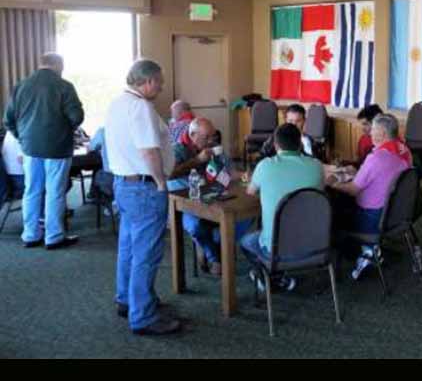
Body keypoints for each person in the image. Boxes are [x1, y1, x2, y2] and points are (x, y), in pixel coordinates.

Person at [105, 59, 181, 336]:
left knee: (128, 249)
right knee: (146, 255)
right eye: (159, 81)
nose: (161, 87)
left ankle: (127, 300)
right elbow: (150, 151)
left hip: (124, 185)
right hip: (145, 188)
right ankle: (143, 316)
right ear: (147, 81)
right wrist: (161, 182)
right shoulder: (141, 108)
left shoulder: (117, 104)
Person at [3, 53, 84, 250]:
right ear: (58, 65)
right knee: (54, 191)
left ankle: (30, 235)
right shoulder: (64, 86)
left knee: (32, 190)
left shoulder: (21, 86)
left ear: (41, 64)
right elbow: (77, 117)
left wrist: (22, 137)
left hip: (29, 148)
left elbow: (8, 120)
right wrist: (65, 131)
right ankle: (54, 236)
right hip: (57, 148)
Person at [240, 123, 324, 292]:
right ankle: (280, 276)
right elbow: (318, 194)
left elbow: (250, 192)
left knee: (246, 241)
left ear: (275, 145)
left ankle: (270, 275)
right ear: (300, 143)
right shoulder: (316, 166)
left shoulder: (265, 165)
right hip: (314, 246)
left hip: (277, 250)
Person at [327, 113, 411, 279]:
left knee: (335, 210)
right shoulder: (403, 151)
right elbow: (382, 176)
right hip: (395, 214)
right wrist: (358, 172)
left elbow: (353, 190)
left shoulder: (376, 158)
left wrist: (332, 183)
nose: (369, 133)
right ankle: (369, 248)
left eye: (372, 129)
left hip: (371, 218)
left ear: (382, 134)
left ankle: (365, 251)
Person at [168, 117, 250, 276]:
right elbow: (170, 175)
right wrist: (197, 160)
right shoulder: (177, 149)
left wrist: (245, 176)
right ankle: (215, 256)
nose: (211, 140)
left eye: (212, 136)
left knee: (244, 216)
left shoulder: (214, 147)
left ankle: (214, 245)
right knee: (195, 225)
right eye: (206, 137)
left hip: (213, 197)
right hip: (186, 202)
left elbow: (226, 174)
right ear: (192, 135)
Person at [1, 130, 26, 206]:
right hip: (18, 173)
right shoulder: (17, 133)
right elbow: (21, 159)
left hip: (10, 171)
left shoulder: (10, 132)